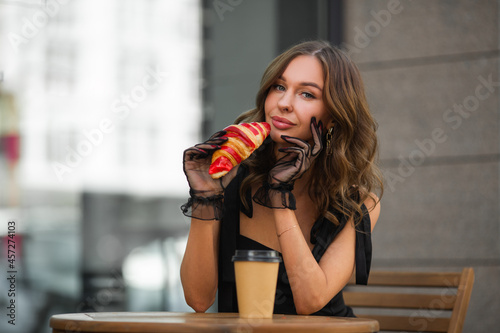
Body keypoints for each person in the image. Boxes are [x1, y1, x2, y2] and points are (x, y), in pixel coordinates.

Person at [180, 40, 383, 317]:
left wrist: (279, 194)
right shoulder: (232, 178)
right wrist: (205, 196)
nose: (284, 103)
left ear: (334, 117)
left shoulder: (358, 203)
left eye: (307, 94)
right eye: (279, 87)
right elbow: (198, 299)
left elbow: (309, 302)